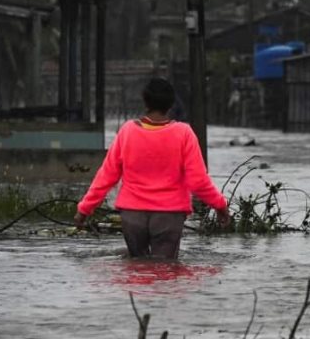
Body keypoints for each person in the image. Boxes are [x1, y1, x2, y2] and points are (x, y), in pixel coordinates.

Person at [74, 77, 230, 259]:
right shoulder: (184, 134)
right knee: (165, 271)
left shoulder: (127, 131)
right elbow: (198, 181)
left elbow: (107, 175)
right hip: (169, 215)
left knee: (138, 270)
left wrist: (84, 209)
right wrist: (220, 205)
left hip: (132, 216)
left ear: (145, 100)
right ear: (171, 104)